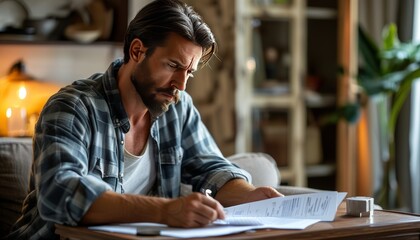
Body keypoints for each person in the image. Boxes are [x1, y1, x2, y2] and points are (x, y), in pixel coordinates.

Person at [6, 0, 282, 239]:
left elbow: (210, 168)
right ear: (137, 51)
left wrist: (249, 195)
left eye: (189, 72)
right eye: (173, 66)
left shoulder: (178, 106)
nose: (181, 85)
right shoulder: (72, 107)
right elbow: (60, 193)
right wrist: (166, 210)